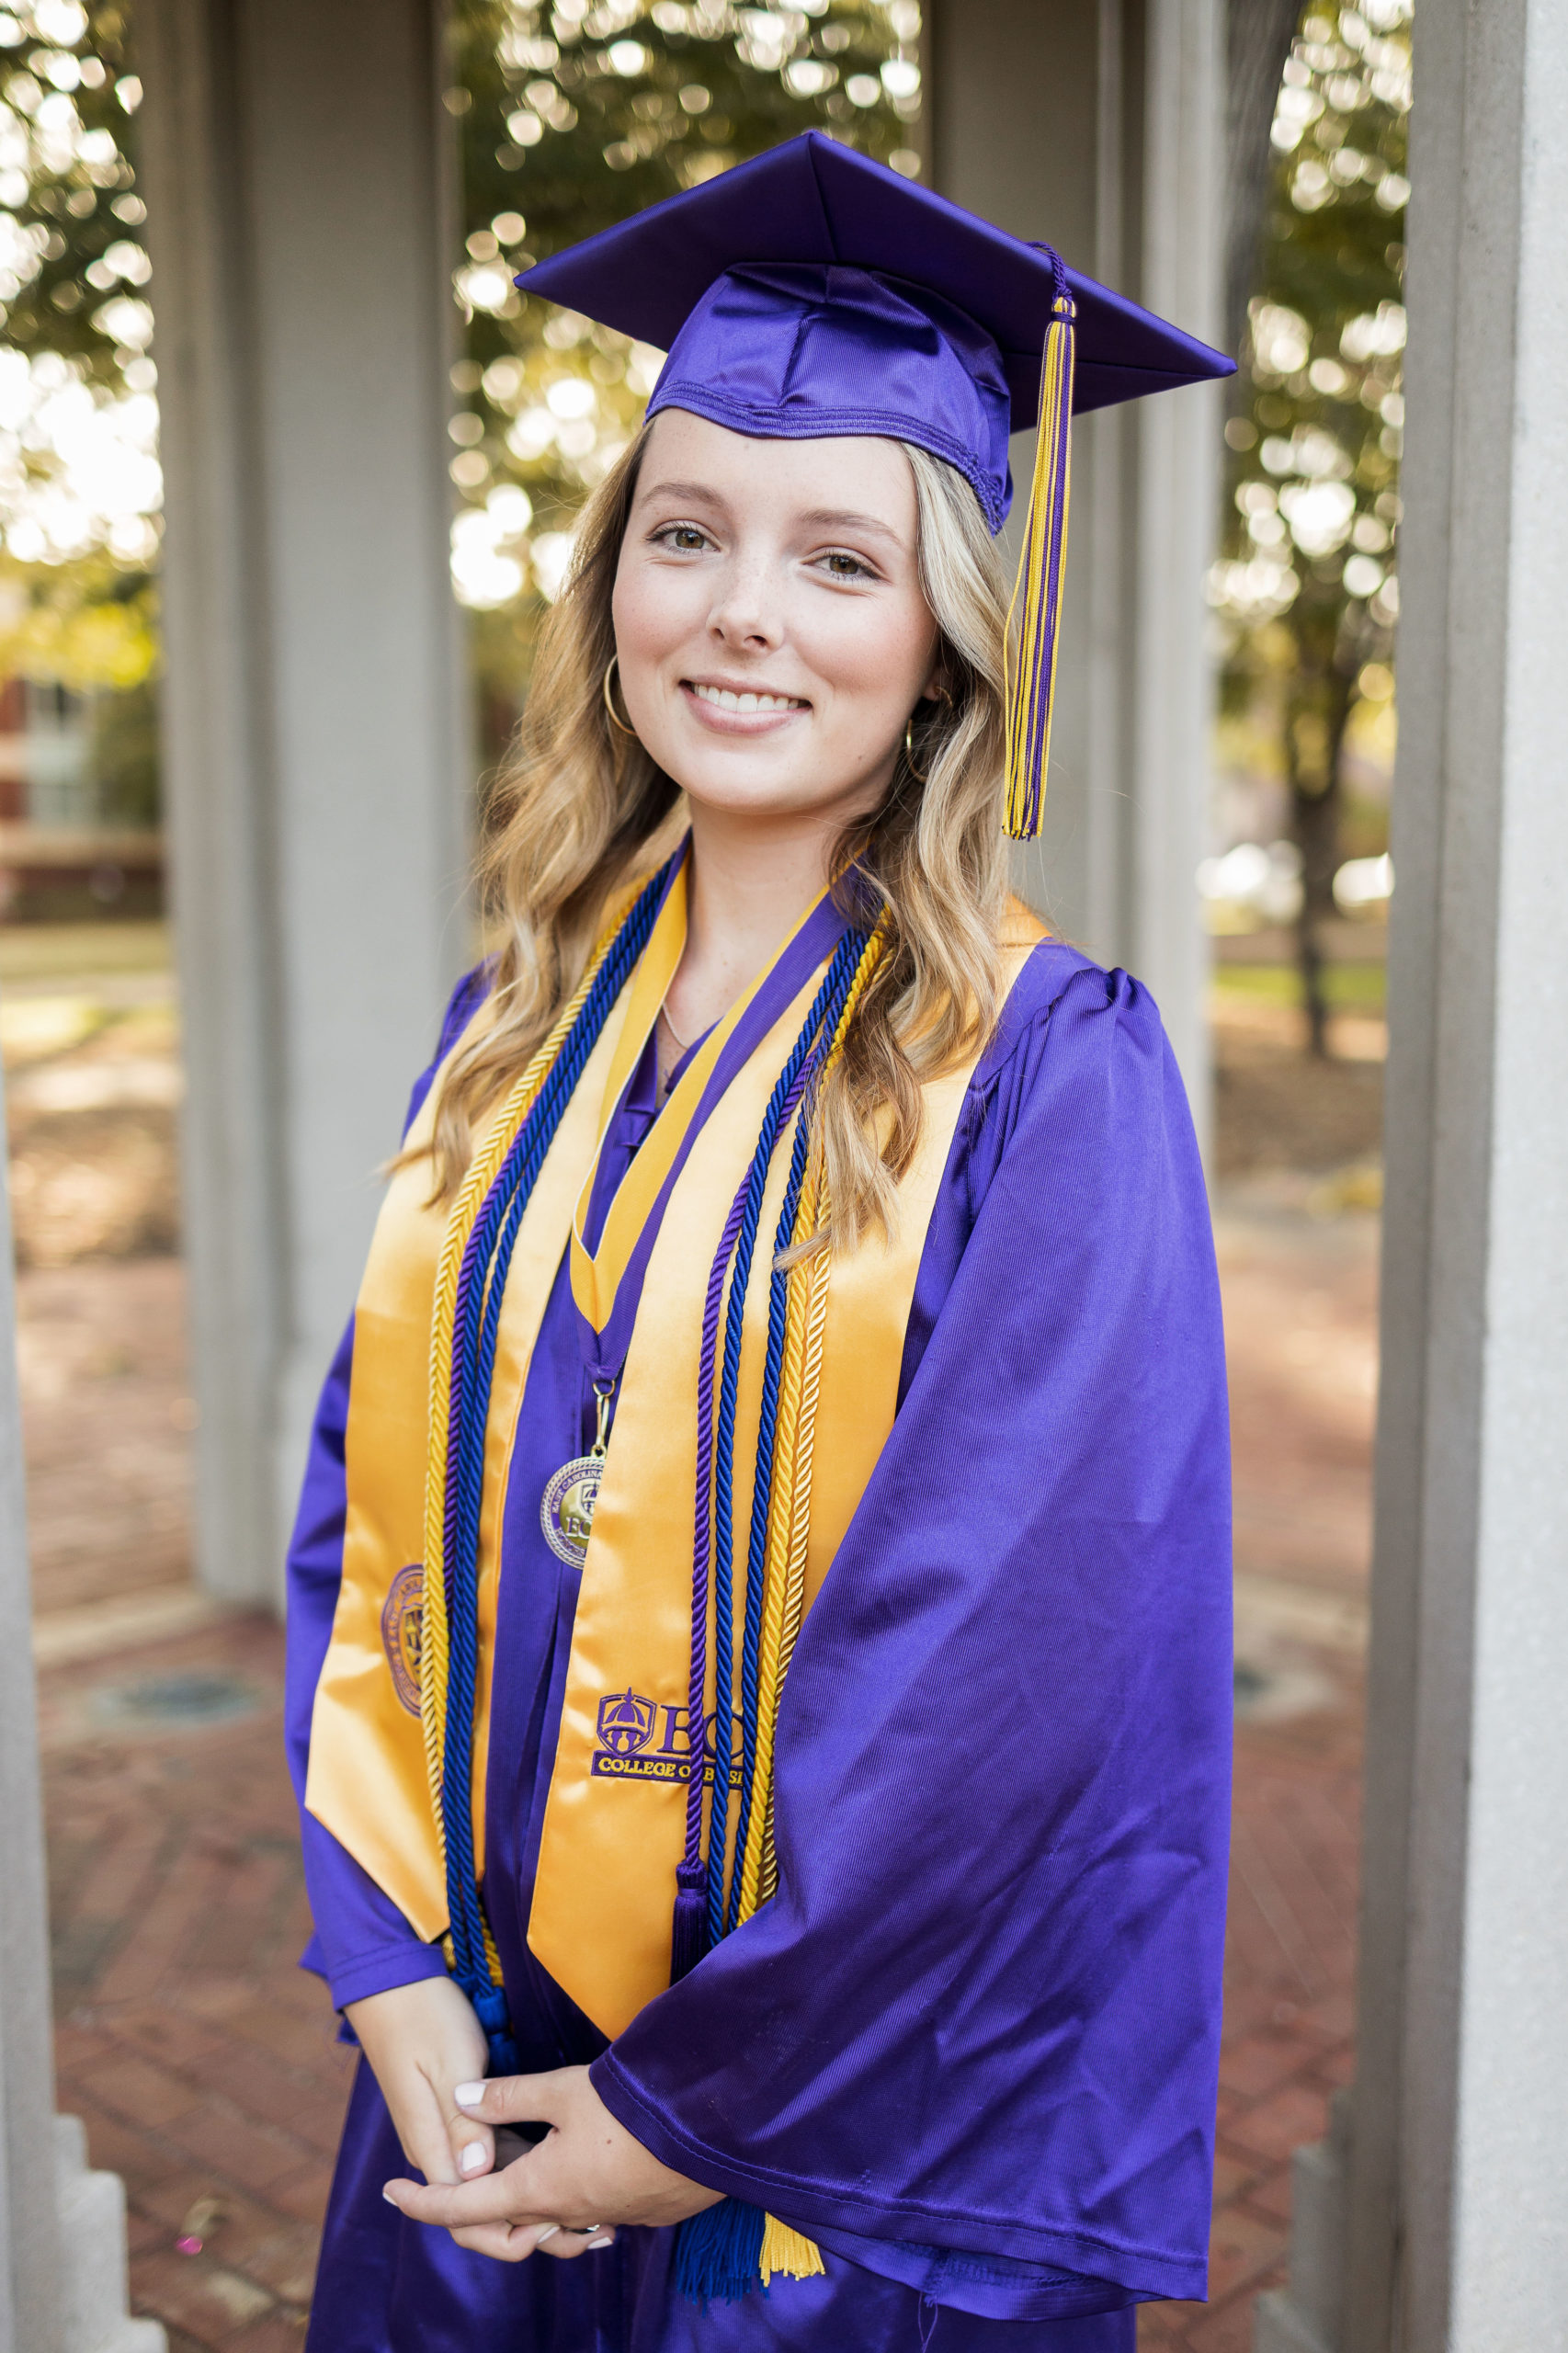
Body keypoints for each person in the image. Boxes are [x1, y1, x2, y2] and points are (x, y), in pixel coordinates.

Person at [287, 130, 1235, 2352]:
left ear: (940, 646)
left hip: (820, 2129)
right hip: (472, 2062)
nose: (737, 608)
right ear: (608, 579)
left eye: (837, 558)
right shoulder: (509, 1021)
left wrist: (693, 2104)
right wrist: (383, 1957)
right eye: (686, 532)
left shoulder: (1040, 1076)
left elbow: (1011, 1674)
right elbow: (368, 1498)